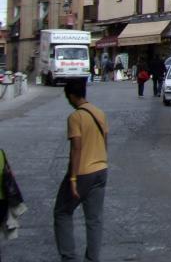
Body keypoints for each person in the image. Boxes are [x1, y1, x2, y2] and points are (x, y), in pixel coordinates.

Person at [53, 78, 108, 262]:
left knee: (62, 211)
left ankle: (69, 257)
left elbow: (76, 148)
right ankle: (92, 259)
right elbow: (105, 141)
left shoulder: (75, 117)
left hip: (83, 172)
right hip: (101, 169)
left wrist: (73, 179)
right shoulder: (99, 113)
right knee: (94, 219)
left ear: (70, 96)